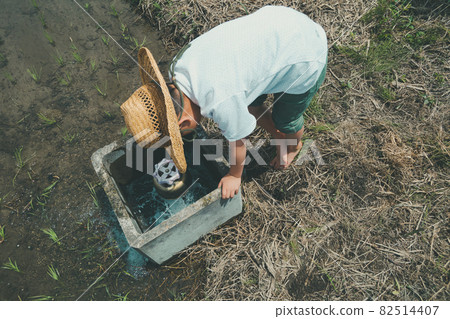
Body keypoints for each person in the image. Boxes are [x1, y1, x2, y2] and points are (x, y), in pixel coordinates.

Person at [166, 6, 328, 199]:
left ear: (185, 123)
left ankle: (294, 147)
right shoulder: (176, 70)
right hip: (280, 23)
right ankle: (278, 134)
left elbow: (239, 141)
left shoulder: (220, 100)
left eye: (184, 132)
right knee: (251, 107)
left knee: (287, 119)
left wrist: (234, 175)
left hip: (305, 57)